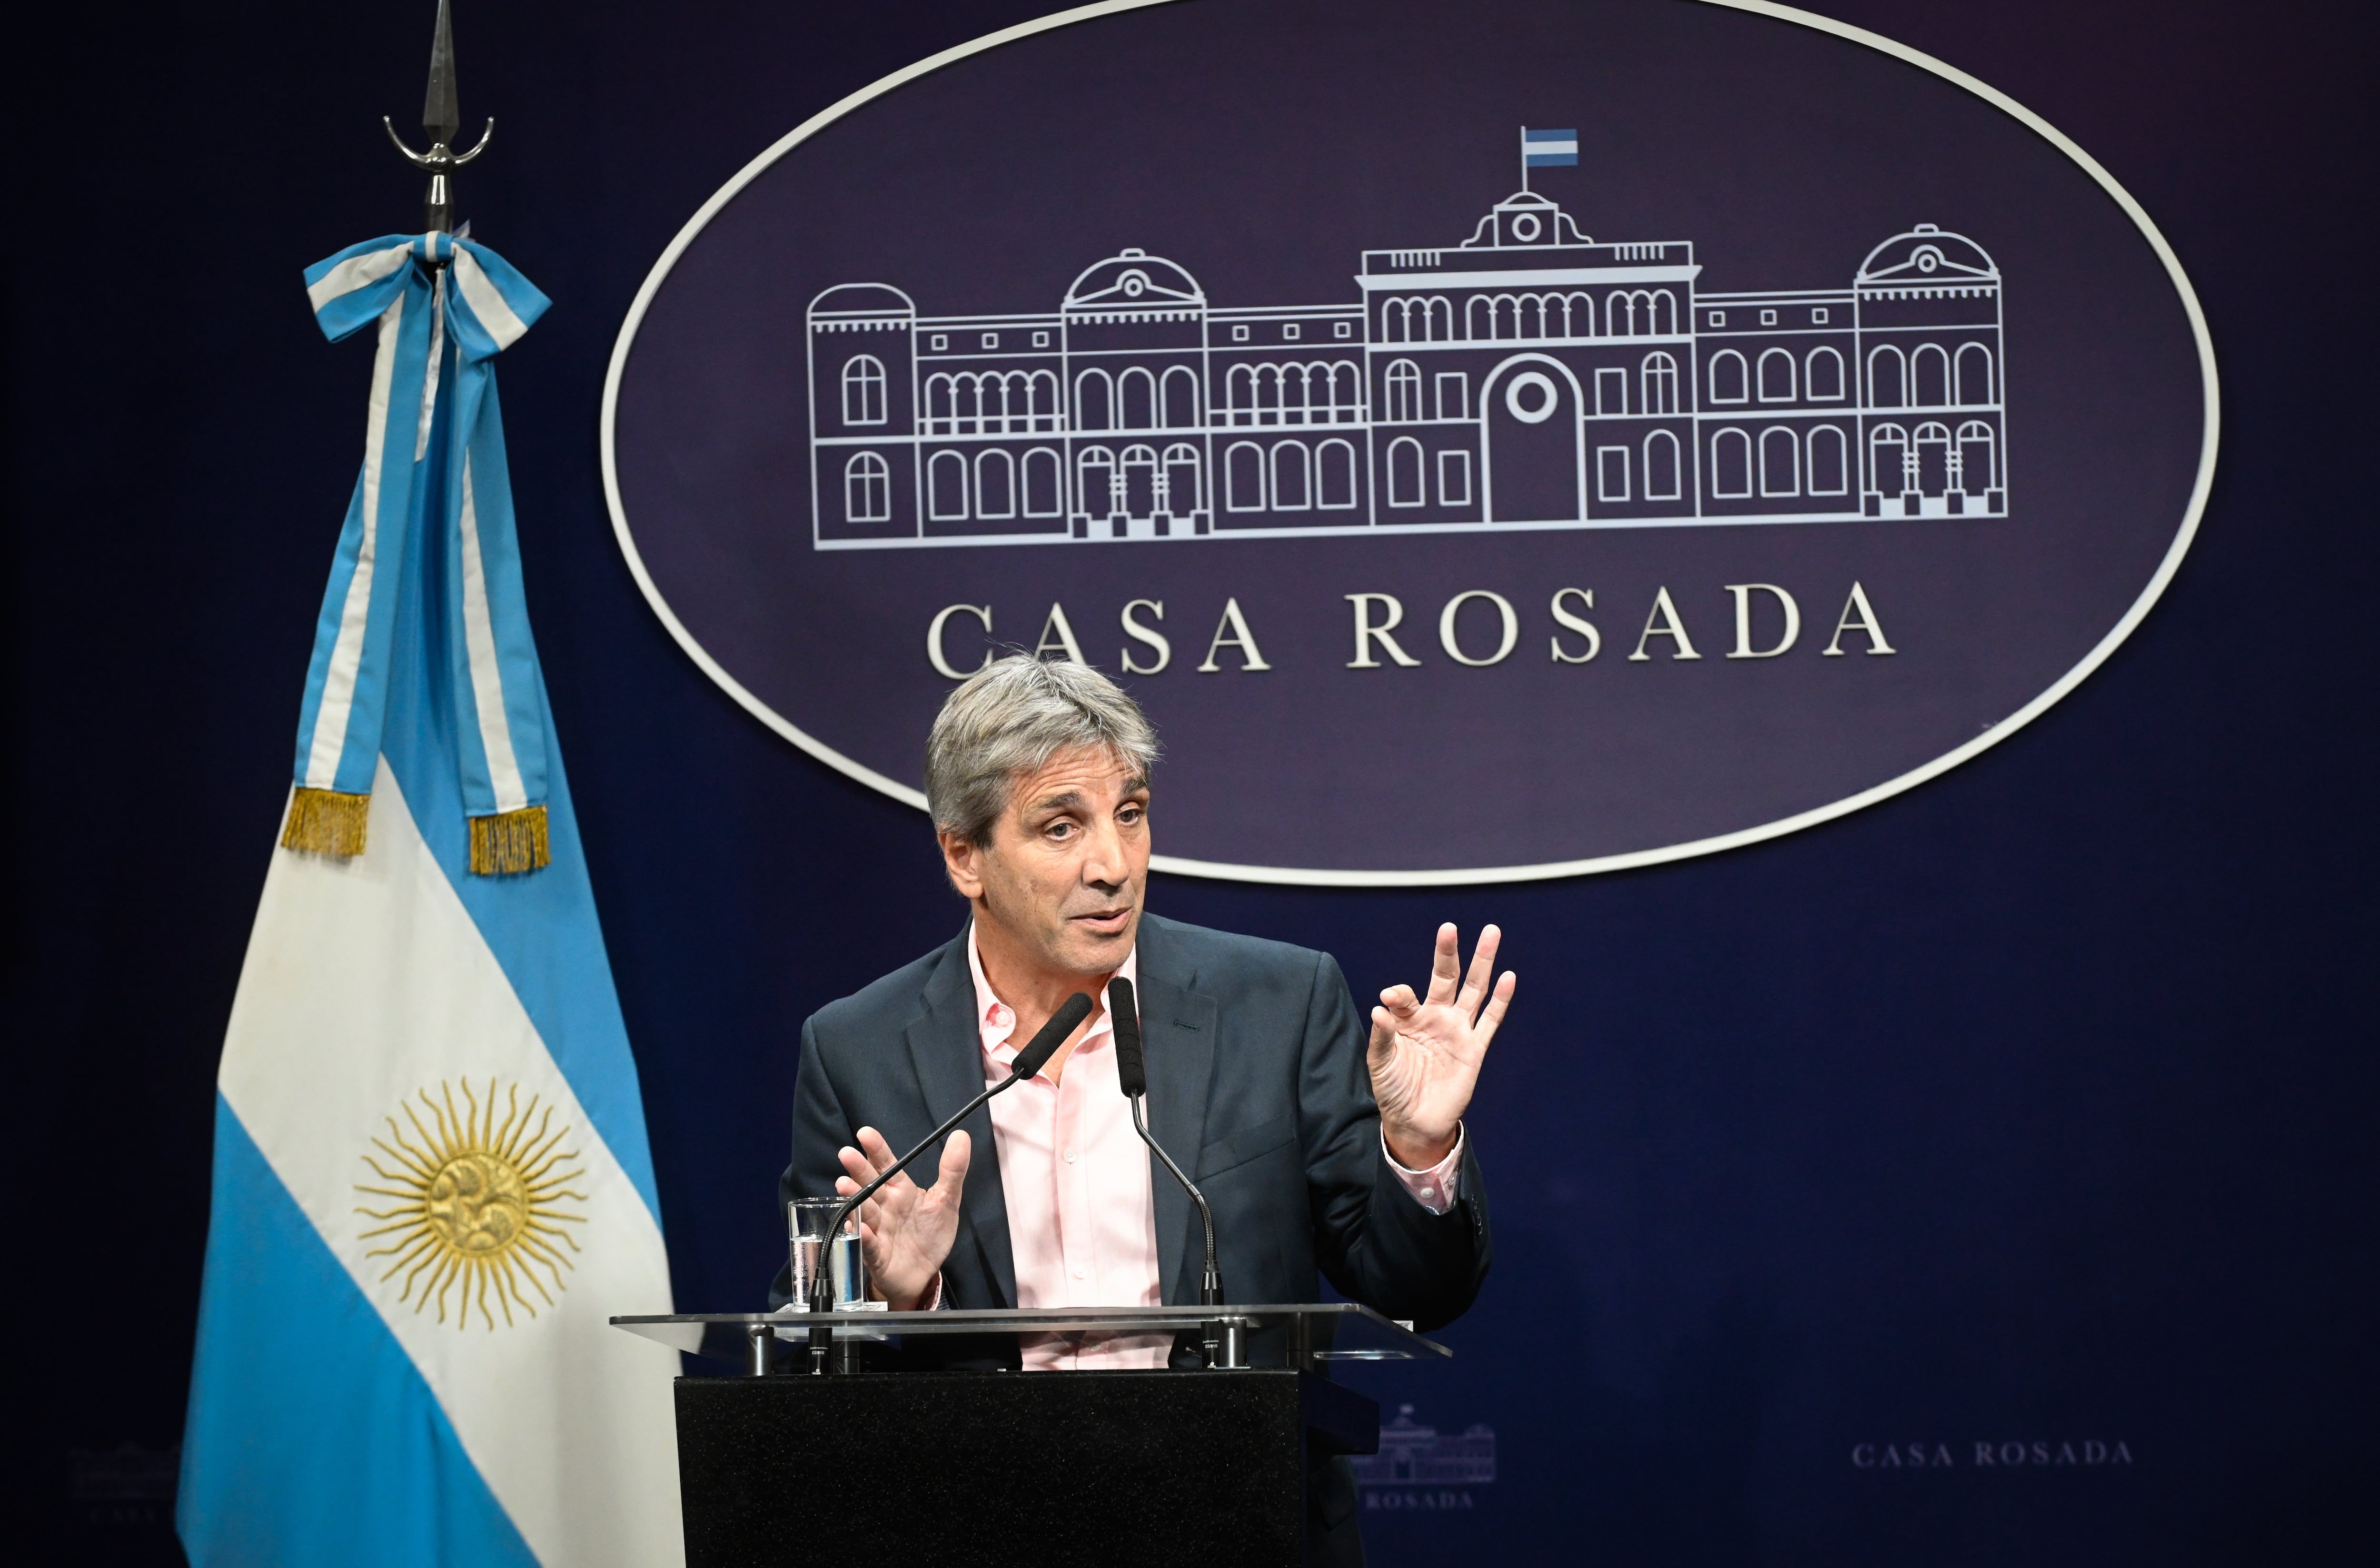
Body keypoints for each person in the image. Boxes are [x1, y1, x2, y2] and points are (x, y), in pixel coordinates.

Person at [772, 655, 1514, 1561]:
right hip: (980, 1524)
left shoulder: (1276, 1003)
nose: (1114, 865)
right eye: (1061, 827)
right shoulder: (860, 1048)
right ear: (965, 855)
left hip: (1237, 1524)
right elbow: (804, 1362)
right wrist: (900, 1296)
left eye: (1131, 813)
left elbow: (1414, 1288)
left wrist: (1418, 1146)